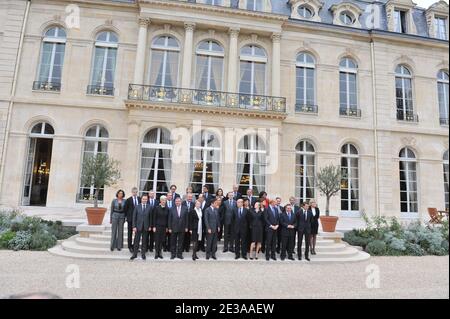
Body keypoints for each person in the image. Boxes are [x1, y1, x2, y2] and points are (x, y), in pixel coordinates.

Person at [130, 194, 152, 261]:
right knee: (136, 241)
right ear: (141, 199)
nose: (144, 200)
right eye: (143, 199)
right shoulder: (137, 206)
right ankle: (134, 254)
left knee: (144, 241)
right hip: (138, 226)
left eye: (145, 199)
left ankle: (143, 254)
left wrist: (150, 226)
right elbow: (134, 217)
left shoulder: (149, 207)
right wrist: (134, 226)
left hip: (146, 226)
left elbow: (150, 218)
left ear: (147, 200)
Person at [124, 187, 140, 253]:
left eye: (136, 192)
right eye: (133, 192)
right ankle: (130, 246)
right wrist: (126, 218)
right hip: (130, 219)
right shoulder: (128, 200)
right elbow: (125, 209)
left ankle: (135, 246)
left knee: (137, 234)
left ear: (137, 192)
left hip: (138, 219)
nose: (135, 193)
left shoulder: (139, 199)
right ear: (132, 192)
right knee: (130, 233)